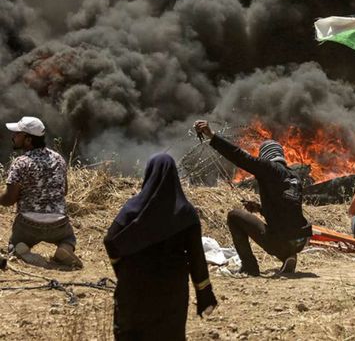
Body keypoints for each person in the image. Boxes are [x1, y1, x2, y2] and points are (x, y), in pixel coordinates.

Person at [104, 154, 217, 340]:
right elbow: (197, 257)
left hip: (134, 286)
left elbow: (110, 241)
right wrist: (204, 293)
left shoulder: (132, 207)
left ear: (148, 174)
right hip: (171, 291)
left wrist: (120, 268)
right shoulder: (185, 212)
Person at [193, 120, 311, 275]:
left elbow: (240, 157)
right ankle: (287, 255)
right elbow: (286, 209)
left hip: (282, 241)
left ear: (265, 157)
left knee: (234, 216)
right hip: (300, 241)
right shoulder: (294, 177)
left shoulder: (269, 168)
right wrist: (260, 209)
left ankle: (250, 267)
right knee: (281, 232)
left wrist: (212, 136)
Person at [0, 116, 82, 268]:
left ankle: (22, 251)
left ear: (28, 140)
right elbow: (63, 191)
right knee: (69, 239)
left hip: (28, 225)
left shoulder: (21, 163)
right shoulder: (59, 159)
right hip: (59, 223)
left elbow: (9, 200)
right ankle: (64, 249)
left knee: (14, 244)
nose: (13, 137)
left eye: (17, 134)